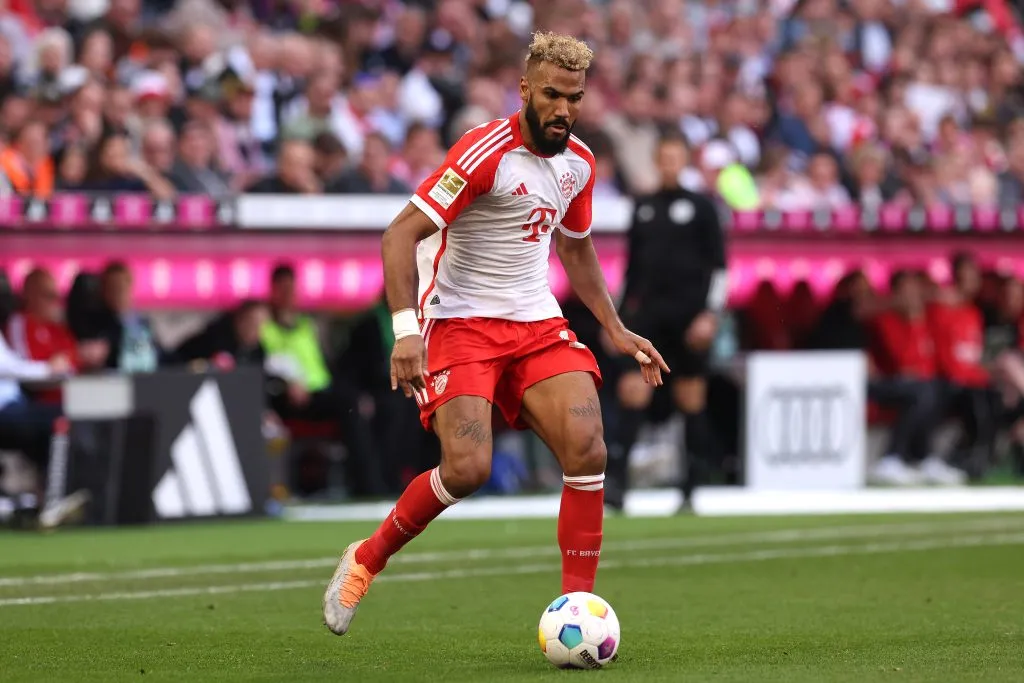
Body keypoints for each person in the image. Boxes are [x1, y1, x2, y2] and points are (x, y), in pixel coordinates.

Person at [322, 32, 668, 636]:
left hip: (536, 322)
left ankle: (578, 610)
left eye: (575, 98)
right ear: (526, 90)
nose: (563, 109)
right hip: (461, 323)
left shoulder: (579, 163)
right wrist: (405, 331)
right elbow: (399, 235)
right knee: (467, 469)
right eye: (553, 95)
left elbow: (576, 248)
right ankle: (367, 558)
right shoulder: (484, 152)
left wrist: (615, 329)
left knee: (589, 447)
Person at [603, 134, 727, 512]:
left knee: (690, 399)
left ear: (684, 161)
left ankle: (690, 489)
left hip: (689, 320)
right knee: (632, 391)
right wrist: (616, 320)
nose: (670, 163)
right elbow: (631, 270)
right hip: (648, 319)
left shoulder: (703, 207)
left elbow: (720, 268)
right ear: (657, 162)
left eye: (676, 157)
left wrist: (710, 314)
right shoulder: (643, 207)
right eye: (665, 157)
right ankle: (617, 486)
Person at [869, 270, 963, 485]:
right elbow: (902, 361)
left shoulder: (927, 319)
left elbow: (929, 361)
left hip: (919, 384)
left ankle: (924, 457)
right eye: (907, 290)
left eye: (915, 290)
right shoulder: (886, 321)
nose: (913, 296)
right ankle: (892, 457)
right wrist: (914, 321)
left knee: (938, 389)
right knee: (924, 391)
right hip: (885, 383)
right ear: (895, 293)